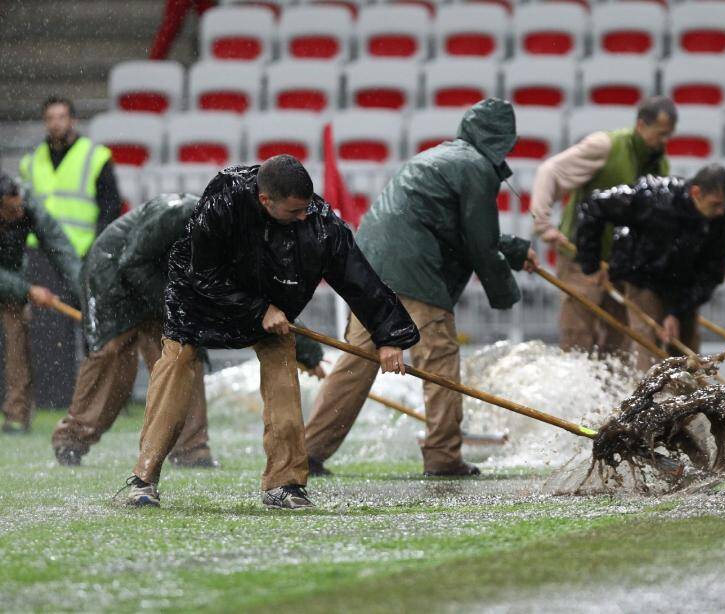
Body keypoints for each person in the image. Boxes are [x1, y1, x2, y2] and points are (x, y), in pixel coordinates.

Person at [119, 155, 419, 509]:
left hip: (271, 306)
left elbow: (359, 280)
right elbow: (203, 273)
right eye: (294, 212)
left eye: (307, 208)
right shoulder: (222, 205)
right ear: (266, 200)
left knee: (283, 380)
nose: (304, 217)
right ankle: (143, 478)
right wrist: (258, 308)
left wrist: (389, 337)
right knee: (176, 369)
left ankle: (285, 483)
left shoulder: (321, 224)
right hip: (200, 299)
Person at [304, 98, 539, 478]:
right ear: (502, 140)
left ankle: (308, 451)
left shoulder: (440, 157)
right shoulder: (476, 167)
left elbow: (454, 229)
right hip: (412, 271)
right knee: (440, 358)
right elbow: (478, 242)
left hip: (369, 262)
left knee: (356, 363)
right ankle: (444, 455)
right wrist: (506, 295)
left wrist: (514, 251)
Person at [51, 194, 216, 468]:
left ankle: (191, 447)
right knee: (111, 356)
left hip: (158, 283)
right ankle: (72, 438)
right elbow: (132, 262)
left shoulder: (229, 231)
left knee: (184, 354)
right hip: (113, 273)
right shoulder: (176, 214)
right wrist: (172, 306)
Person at [530, 97, 677, 354]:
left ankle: (613, 395)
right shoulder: (604, 146)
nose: (665, 141)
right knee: (577, 337)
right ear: (641, 125)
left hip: (622, 265)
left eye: (669, 135)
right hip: (580, 260)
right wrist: (543, 225)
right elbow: (550, 171)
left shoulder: (661, 165)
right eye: (661, 133)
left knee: (619, 341)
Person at [575, 164, 725, 372]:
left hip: (684, 285)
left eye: (724, 206)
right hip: (641, 277)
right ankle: (647, 397)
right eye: (715, 205)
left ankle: (684, 401)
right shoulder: (653, 196)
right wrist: (590, 264)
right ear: (696, 192)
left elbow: (713, 271)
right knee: (648, 346)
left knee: (687, 353)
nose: (721, 211)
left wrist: (677, 311)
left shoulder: (721, 216)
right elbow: (593, 205)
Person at [0, 173, 81, 433]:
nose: (19, 212)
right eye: (12, 210)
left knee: (16, 345)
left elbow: (62, 249)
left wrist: (85, 293)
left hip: (11, 284)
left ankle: (16, 415)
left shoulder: (28, 208)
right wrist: (27, 289)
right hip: (14, 282)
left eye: (20, 205)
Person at [19, 96, 122, 258]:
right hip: (39, 250)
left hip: (80, 248)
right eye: (50, 118)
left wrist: (97, 246)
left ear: (73, 120)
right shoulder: (30, 162)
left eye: (61, 117)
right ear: (44, 122)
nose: (55, 123)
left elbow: (110, 206)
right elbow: (22, 210)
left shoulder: (95, 156)